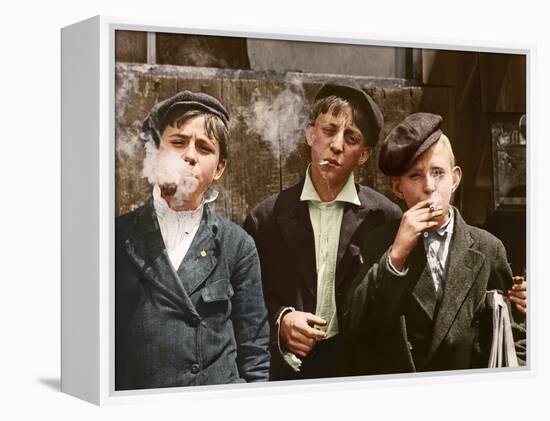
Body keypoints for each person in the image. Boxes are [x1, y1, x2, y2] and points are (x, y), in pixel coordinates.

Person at [340, 112, 527, 375]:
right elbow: (355, 327)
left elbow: (516, 332)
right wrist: (396, 256)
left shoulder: (487, 248)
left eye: (438, 173)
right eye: (415, 176)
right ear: (397, 188)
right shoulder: (381, 242)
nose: (429, 186)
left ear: (456, 179)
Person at [243, 81, 403, 380]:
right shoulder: (265, 219)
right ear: (309, 134)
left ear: (364, 155)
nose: (337, 145)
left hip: (359, 373)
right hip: (290, 375)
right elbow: (246, 303)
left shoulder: (386, 218)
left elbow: (393, 304)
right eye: (329, 130)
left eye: (351, 138)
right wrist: (282, 321)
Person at [115, 91, 270, 390]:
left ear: (219, 168)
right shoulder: (118, 237)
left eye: (204, 148)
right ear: (156, 151)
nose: (189, 155)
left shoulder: (237, 245)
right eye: (177, 142)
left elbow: (254, 353)